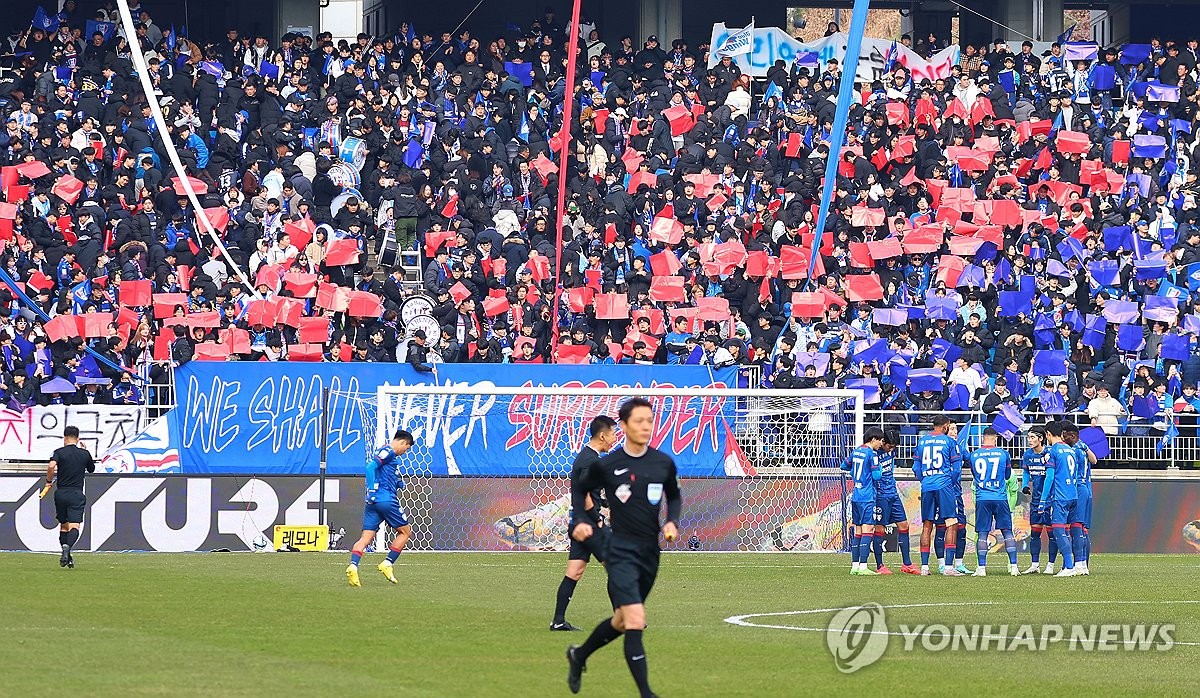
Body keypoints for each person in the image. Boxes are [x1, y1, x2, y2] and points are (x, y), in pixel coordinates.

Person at [566, 398, 681, 698]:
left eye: (649, 421)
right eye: (639, 421)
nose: (645, 426)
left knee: (621, 620)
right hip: (619, 550)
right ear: (625, 425)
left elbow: (674, 496)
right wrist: (580, 519)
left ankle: (579, 655)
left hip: (649, 553)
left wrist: (672, 522)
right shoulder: (607, 464)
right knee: (634, 620)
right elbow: (578, 487)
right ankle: (646, 693)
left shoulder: (662, 462)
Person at [551, 415, 618, 631]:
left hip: (578, 524)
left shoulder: (587, 457)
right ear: (602, 435)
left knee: (575, 571)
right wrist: (598, 518)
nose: (614, 439)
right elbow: (586, 494)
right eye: (613, 434)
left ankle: (558, 621)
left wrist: (606, 502)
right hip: (589, 525)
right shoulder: (591, 460)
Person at [346, 429, 415, 587]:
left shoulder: (387, 454)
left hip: (373, 503)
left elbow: (384, 473)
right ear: (403, 442)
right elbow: (370, 468)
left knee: (365, 538)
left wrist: (397, 483)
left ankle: (353, 566)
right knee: (405, 532)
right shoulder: (388, 451)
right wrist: (371, 489)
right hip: (385, 500)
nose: (406, 452)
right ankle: (388, 563)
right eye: (407, 448)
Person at [913, 415, 963, 575]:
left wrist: (925, 480)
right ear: (946, 426)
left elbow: (916, 467)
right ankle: (948, 567)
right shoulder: (949, 442)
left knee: (927, 525)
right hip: (944, 485)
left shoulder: (922, 441)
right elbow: (957, 469)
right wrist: (949, 482)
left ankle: (924, 567)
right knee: (951, 523)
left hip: (927, 485)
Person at [967, 427, 1019, 576]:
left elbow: (975, 475)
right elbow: (1008, 475)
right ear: (995, 438)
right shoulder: (1003, 454)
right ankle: (1014, 567)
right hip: (1000, 497)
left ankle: (981, 568)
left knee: (982, 533)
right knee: (1007, 532)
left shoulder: (974, 455)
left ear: (983, 438)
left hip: (983, 497)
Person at [43, 425, 95, 568]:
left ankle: (68, 556)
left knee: (63, 526)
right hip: (76, 494)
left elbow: (51, 466)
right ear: (78, 439)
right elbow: (91, 469)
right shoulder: (84, 454)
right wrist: (85, 452)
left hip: (60, 493)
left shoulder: (59, 452)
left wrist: (48, 481)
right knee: (74, 526)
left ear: (64, 438)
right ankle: (67, 548)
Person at [872, 428, 918, 574]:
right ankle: (880, 566)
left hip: (893, 494)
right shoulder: (873, 455)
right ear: (882, 442)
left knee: (904, 525)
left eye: (894, 447)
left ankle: (907, 564)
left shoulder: (890, 452)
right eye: (889, 446)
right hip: (880, 496)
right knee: (880, 529)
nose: (891, 449)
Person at [1040, 421, 1082, 577]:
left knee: (1058, 530)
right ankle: (1070, 566)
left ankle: (1069, 566)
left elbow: (1050, 477)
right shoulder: (1071, 450)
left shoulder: (1054, 450)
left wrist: (1043, 500)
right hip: (1073, 495)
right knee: (1070, 530)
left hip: (1061, 496)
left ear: (1049, 434)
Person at [841, 427, 885, 575]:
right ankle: (864, 566)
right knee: (868, 530)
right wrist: (879, 466)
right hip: (867, 497)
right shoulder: (872, 454)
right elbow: (877, 476)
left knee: (858, 531)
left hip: (856, 496)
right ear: (873, 439)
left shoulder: (856, 451)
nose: (881, 444)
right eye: (880, 440)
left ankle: (855, 566)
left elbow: (843, 466)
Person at [1020, 427, 1058, 574]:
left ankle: (1050, 565)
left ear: (1041, 438)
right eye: (1028, 437)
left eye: (1032, 437)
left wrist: (1044, 500)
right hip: (1036, 500)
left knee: (1051, 534)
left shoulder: (1049, 453)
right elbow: (1025, 471)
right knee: (1034, 533)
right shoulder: (1028, 455)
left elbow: (1050, 477)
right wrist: (1024, 484)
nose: (1029, 440)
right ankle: (1034, 564)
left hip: (1049, 500)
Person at [1063, 422, 1097, 575]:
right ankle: (1083, 565)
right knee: (1083, 529)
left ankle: (1077, 565)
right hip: (1087, 488)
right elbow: (1094, 460)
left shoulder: (1071, 450)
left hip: (1077, 488)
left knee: (1075, 528)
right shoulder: (1083, 446)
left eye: (1064, 434)